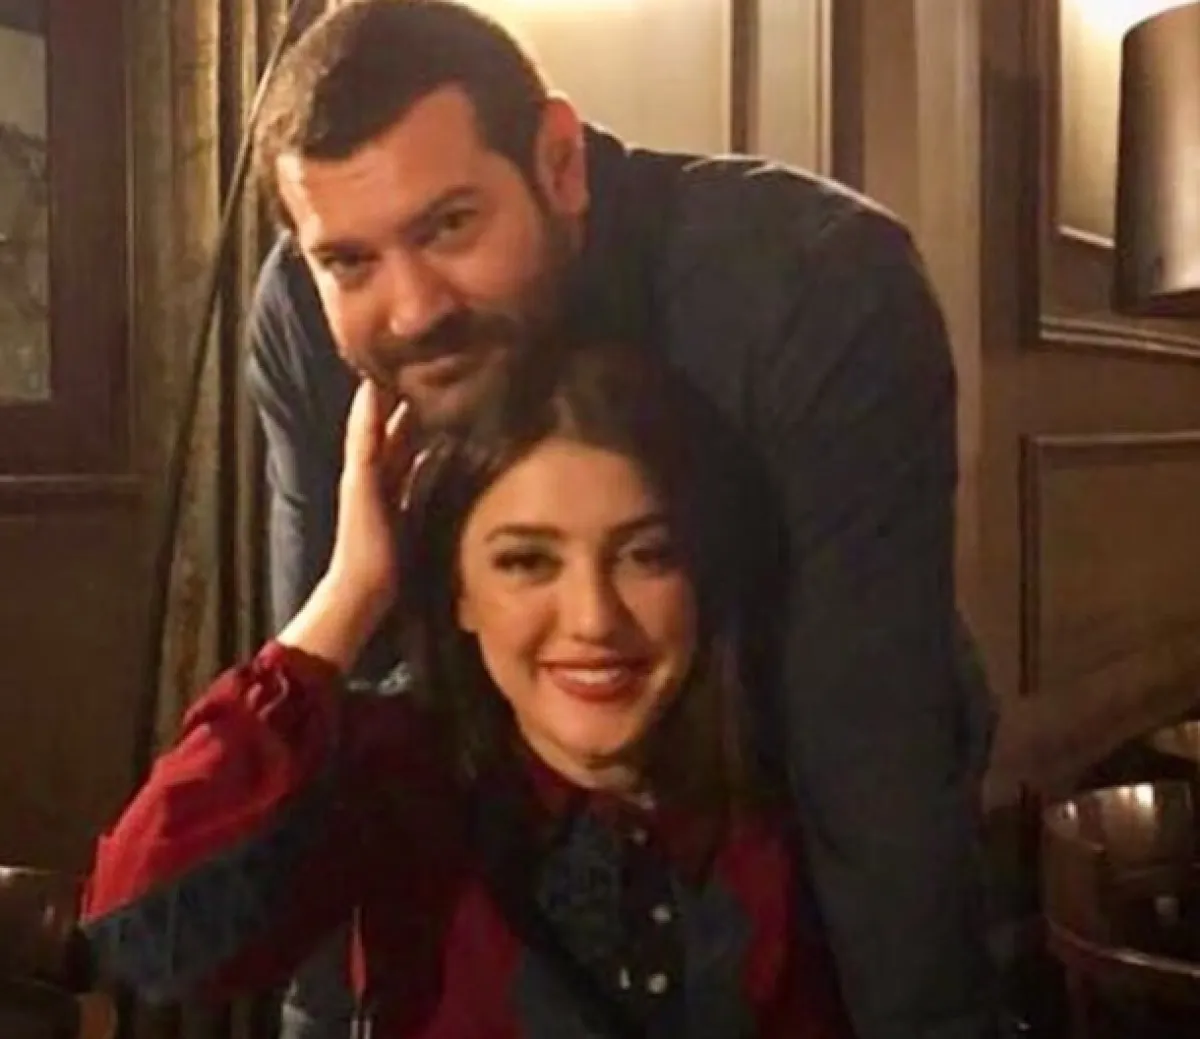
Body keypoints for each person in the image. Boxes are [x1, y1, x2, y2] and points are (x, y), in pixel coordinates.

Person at [245, 3, 999, 1038]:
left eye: (450, 225)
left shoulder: (814, 284)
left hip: (778, 847)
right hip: (490, 888)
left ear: (560, 163)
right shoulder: (303, 311)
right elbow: (332, 724)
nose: (413, 310)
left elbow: (872, 755)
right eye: (350, 261)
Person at [83, 342, 854, 1038]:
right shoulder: (399, 772)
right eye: (527, 561)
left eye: (646, 555)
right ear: (458, 591)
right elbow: (147, 934)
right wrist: (352, 591)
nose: (594, 618)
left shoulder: (796, 787)